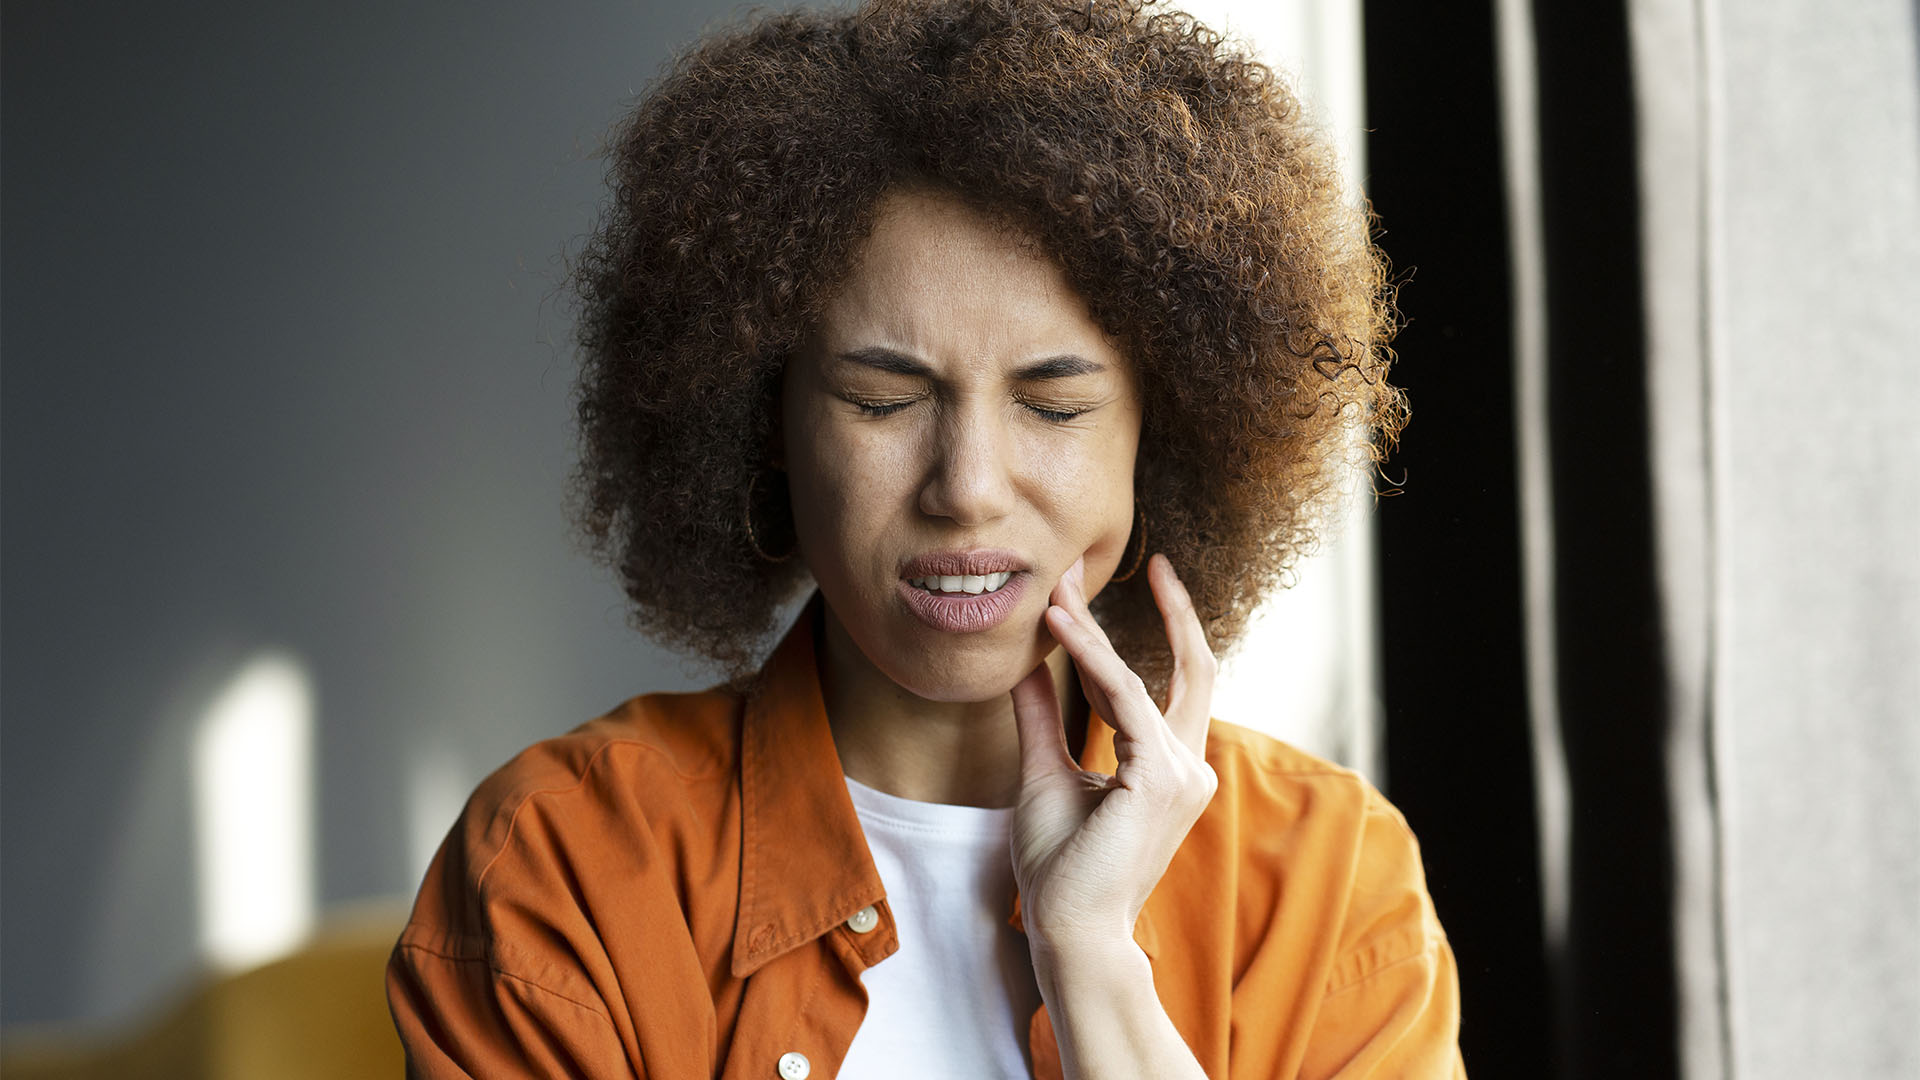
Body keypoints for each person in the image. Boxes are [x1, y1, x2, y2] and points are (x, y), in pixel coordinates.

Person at [386, 0, 1464, 1076]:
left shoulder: (1326, 889)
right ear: (764, 420)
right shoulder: (564, 865)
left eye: (1053, 406)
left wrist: (1090, 961)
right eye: (880, 399)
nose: (968, 490)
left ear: (1162, 435)